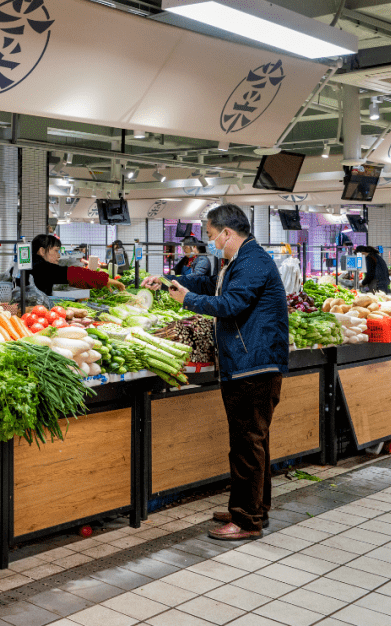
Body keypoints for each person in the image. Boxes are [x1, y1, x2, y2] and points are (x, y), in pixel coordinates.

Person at [141, 204, 288, 541]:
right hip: (249, 364)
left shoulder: (252, 262)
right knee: (252, 442)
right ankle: (252, 507)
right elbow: (210, 283)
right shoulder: (239, 261)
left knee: (247, 443)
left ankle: (246, 520)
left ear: (227, 232)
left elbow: (230, 304)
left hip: (254, 366)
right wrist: (168, 283)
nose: (211, 242)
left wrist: (187, 300)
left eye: (211, 235)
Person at [28, 234, 125, 295]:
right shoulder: (40, 267)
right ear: (42, 250)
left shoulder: (33, 263)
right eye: (56, 251)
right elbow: (72, 274)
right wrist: (103, 279)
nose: (58, 255)